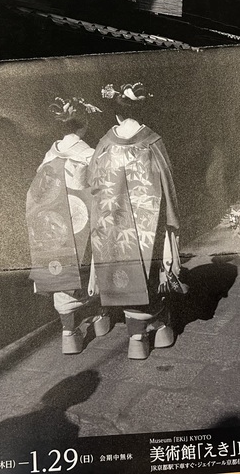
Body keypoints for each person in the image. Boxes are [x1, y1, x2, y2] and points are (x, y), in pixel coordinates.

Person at [87, 83, 182, 360]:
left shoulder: (105, 144)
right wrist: (172, 220)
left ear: (116, 114)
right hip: (146, 223)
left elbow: (92, 180)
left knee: (121, 266)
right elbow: (168, 183)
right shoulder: (152, 142)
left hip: (112, 223)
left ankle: (135, 336)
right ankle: (155, 327)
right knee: (151, 269)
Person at [26, 97, 110, 355]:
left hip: (54, 226)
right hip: (82, 222)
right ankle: (101, 316)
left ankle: (68, 331)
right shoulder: (89, 154)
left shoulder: (50, 155)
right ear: (85, 125)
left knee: (60, 273)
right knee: (90, 269)